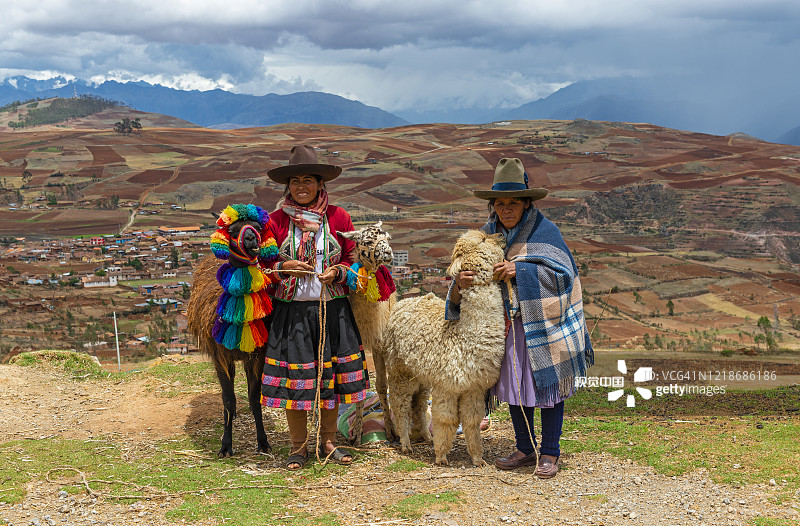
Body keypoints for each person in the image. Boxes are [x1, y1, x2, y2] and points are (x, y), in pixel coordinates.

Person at [447, 157, 593, 479]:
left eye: (514, 202)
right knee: (515, 384)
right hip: (508, 326)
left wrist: (520, 269)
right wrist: (460, 283)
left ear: (527, 203)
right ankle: (525, 448)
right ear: (493, 205)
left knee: (548, 387)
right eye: (500, 203)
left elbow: (565, 275)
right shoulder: (486, 236)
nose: (506, 209)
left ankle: (551, 451)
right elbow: (462, 275)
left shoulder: (545, 232)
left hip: (544, 325)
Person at [262, 145, 369, 470]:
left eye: (308, 180)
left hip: (332, 310)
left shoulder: (338, 217)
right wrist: (284, 269)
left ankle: (329, 441)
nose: (301, 186)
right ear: (288, 187)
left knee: (331, 381)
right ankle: (299, 446)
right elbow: (263, 264)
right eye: (295, 181)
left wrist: (338, 272)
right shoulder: (277, 221)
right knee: (298, 381)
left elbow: (352, 259)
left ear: (320, 184)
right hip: (291, 313)